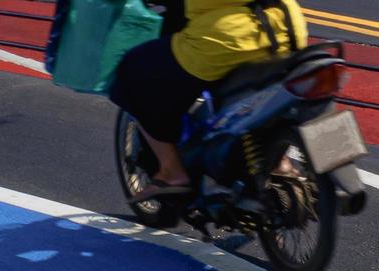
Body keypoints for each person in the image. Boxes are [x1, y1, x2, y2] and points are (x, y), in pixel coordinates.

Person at [108, 0, 308, 201]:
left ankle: (171, 171)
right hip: (289, 29)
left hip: (233, 37)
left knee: (133, 70)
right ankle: (279, 160)